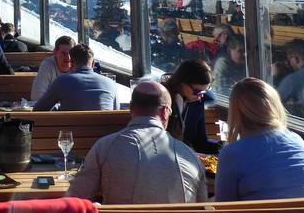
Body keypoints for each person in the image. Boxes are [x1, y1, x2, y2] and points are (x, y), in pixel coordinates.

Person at [68, 81, 207, 204]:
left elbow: (76, 198)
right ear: (165, 112)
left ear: (131, 108)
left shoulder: (104, 147)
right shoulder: (190, 156)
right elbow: (202, 207)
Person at [215, 78, 304, 201]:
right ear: (274, 106)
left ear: (235, 114)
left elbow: (224, 204)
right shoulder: (296, 140)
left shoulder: (231, 153)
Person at [33, 44, 119, 111]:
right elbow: (116, 111)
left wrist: (57, 107)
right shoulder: (111, 83)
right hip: (105, 129)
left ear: (72, 63)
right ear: (93, 64)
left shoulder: (62, 81)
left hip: (70, 129)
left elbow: (38, 109)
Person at [163, 59, 221, 154]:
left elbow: (213, 139)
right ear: (182, 83)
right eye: (197, 92)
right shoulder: (162, 97)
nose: (201, 96)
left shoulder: (207, 100)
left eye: (206, 90)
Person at [278, 39, 304, 114]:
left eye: (289, 59)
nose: (288, 63)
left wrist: (273, 75)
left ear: (296, 59)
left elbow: (272, 101)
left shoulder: (293, 79)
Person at [30, 35, 74, 100]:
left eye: (71, 53)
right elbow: (37, 97)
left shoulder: (79, 65)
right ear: (55, 53)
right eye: (64, 53)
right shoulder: (47, 65)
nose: (68, 57)